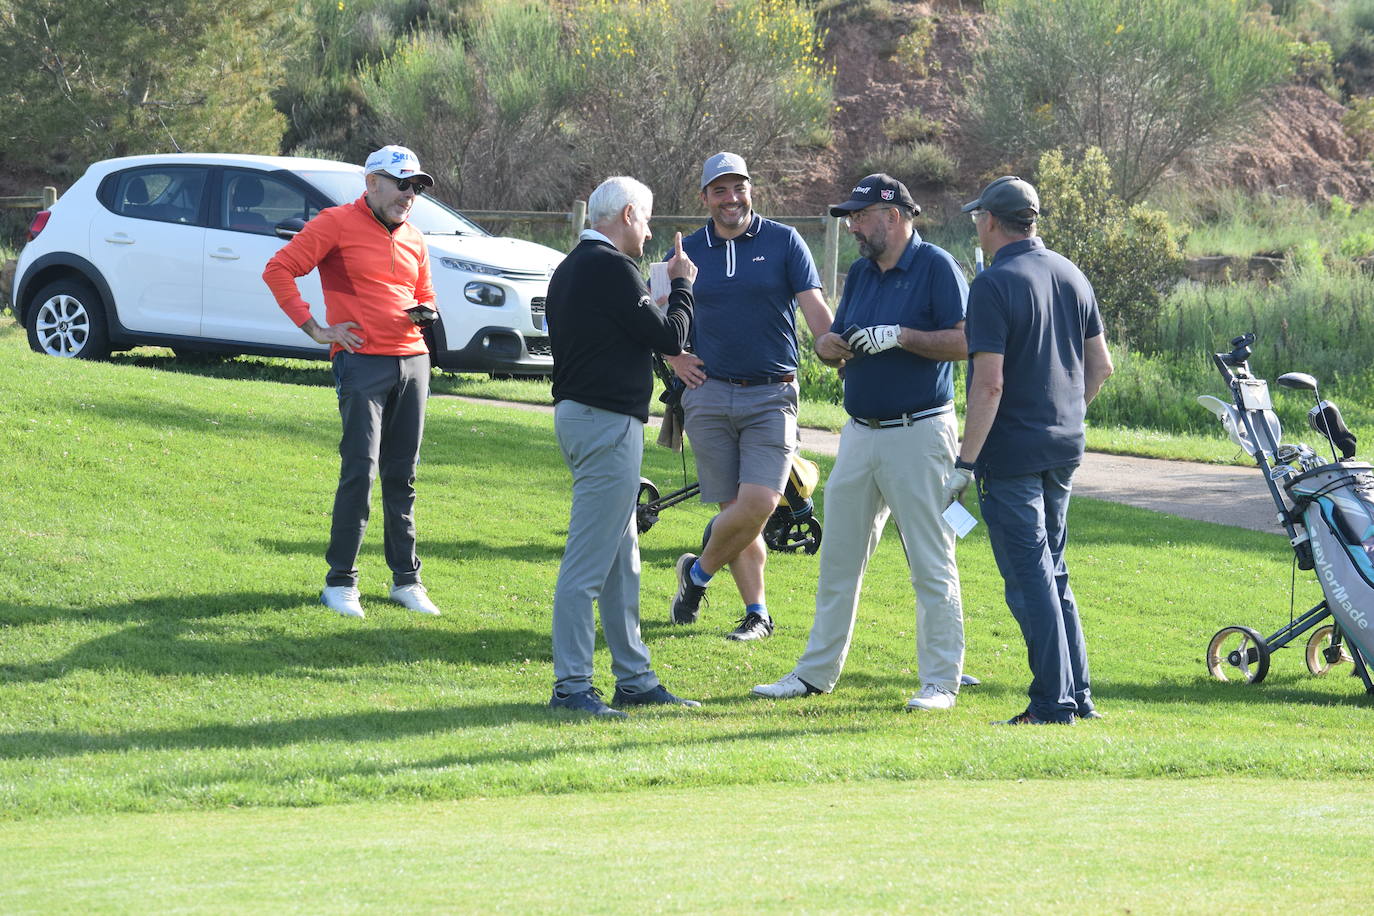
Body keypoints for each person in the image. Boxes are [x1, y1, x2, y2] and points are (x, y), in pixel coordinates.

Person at [751, 174, 969, 710]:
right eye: (849, 217)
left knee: (931, 562)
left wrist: (903, 336)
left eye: (860, 216)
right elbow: (838, 346)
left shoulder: (938, 267)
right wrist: (827, 344)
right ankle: (814, 673)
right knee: (839, 561)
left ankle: (941, 682)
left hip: (919, 433)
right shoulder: (864, 274)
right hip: (859, 435)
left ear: (892, 216)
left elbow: (968, 341)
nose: (851, 225)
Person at [948, 176, 1115, 725]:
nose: (977, 225)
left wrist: (965, 462)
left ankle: (1052, 701)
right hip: (1064, 447)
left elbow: (988, 383)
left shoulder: (993, 284)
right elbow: (1101, 367)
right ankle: (1079, 695)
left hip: (1012, 455)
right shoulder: (1071, 273)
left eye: (979, 218)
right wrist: (1066, 416)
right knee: (1054, 571)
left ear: (991, 222)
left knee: (1029, 578)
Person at [263, 144, 442, 619]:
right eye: (401, 184)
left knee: (402, 476)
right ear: (372, 183)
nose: (409, 195)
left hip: (413, 363)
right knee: (360, 472)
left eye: (416, 187)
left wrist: (426, 312)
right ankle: (340, 581)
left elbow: (423, 292)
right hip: (362, 364)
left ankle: (406, 580)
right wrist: (317, 329)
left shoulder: (415, 237)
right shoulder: (335, 223)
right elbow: (278, 269)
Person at [546, 176, 701, 718]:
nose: (651, 230)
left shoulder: (572, 267)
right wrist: (681, 285)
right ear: (630, 214)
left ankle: (634, 678)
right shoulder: (611, 267)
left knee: (621, 561)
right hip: (606, 424)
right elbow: (672, 339)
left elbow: (629, 333)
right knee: (588, 564)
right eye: (649, 219)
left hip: (587, 419)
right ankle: (571, 687)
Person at [665, 152, 835, 641]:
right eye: (719, 190)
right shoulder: (687, 250)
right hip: (708, 395)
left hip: (772, 395)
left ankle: (696, 577)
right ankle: (757, 614)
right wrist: (676, 359)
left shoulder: (784, 240)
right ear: (704, 198)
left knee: (760, 502)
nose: (731, 198)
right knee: (734, 514)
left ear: (750, 191)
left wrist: (835, 350)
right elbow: (658, 317)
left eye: (738, 187)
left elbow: (816, 311)